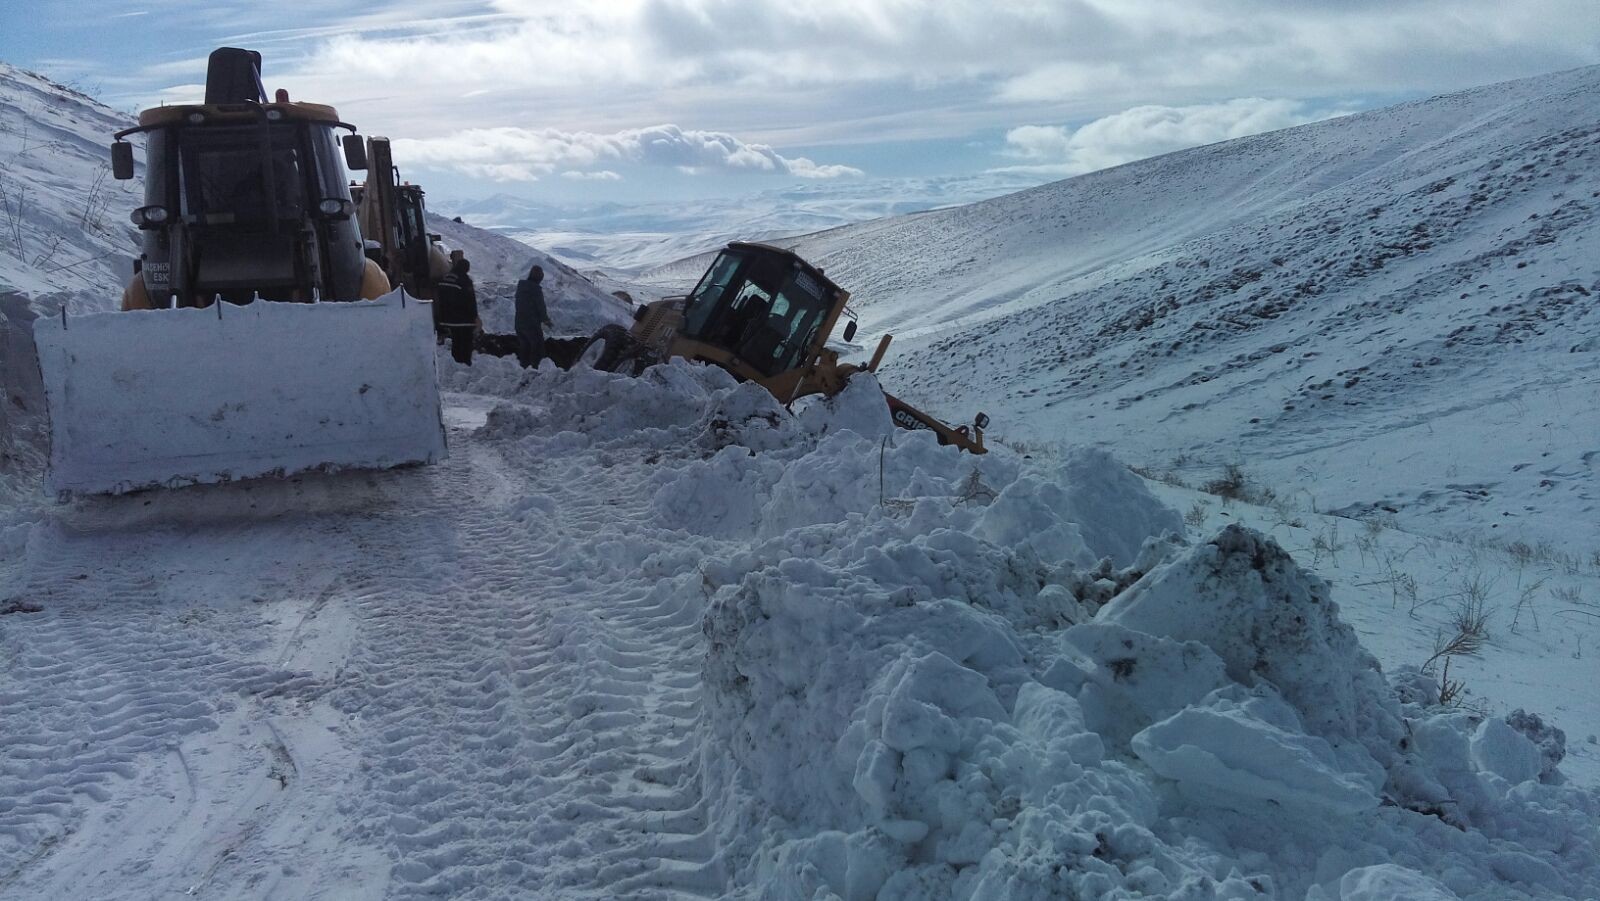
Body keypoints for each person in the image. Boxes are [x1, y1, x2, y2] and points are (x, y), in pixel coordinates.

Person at [434, 257, 479, 365]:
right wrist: (474, 317)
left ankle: (456, 362)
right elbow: (470, 300)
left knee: (456, 340)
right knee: (466, 341)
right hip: (464, 319)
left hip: (448, 318)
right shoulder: (464, 280)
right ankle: (465, 361)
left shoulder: (446, 278)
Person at [514, 263, 554, 368]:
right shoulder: (535, 289)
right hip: (531, 325)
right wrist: (546, 321)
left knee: (525, 349)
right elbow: (541, 307)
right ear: (539, 278)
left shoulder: (521, 288)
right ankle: (536, 373)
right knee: (538, 349)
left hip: (519, 324)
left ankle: (524, 372)